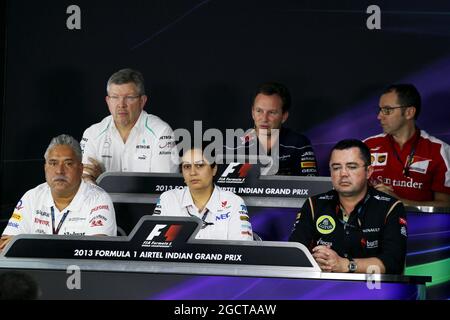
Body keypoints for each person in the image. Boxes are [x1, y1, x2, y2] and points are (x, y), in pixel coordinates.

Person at [289, 139, 407, 274]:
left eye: (351, 167)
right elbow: (295, 254)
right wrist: (316, 260)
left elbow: (393, 263)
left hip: (373, 291)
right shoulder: (314, 204)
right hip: (321, 290)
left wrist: (346, 265)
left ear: (368, 171)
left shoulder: (390, 207)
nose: (343, 173)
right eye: (336, 167)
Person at [0, 134, 117, 251]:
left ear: (81, 169)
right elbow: (4, 246)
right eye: (53, 163)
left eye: (68, 163)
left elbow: (95, 250)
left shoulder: (98, 199)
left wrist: (28, 245)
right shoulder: (31, 197)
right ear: (45, 167)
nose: (60, 171)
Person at [80, 68, 177, 183]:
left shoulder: (161, 132)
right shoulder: (92, 134)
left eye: (129, 97)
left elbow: (163, 186)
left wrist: (104, 180)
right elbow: (85, 183)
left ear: (142, 101)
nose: (121, 104)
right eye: (115, 97)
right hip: (103, 201)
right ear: (108, 101)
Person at [364, 84, 450, 207]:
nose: (379, 116)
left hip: (420, 225)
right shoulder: (367, 146)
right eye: (380, 110)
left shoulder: (440, 151)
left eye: (387, 110)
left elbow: (446, 206)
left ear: (409, 112)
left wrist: (399, 203)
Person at [153, 146, 254, 241]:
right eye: (187, 166)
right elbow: (154, 247)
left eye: (200, 165)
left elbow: (242, 251)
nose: (193, 172)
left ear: (214, 169)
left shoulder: (234, 202)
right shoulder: (168, 199)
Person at [226, 82, 318, 176]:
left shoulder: (298, 144)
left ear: (284, 116)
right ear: (253, 113)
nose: (264, 119)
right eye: (259, 111)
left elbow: (310, 185)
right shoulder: (234, 146)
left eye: (272, 112)